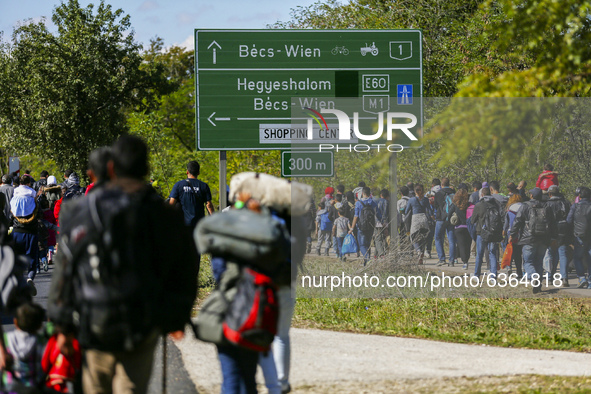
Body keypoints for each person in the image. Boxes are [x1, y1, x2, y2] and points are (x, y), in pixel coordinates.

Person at [48, 135, 198, 393]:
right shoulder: (162, 214)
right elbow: (184, 269)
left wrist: (61, 324)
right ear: (146, 170)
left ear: (111, 168)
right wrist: (176, 316)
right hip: (141, 324)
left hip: (94, 323)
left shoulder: (81, 210)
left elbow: (65, 268)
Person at [509, 187, 557, 293]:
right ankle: (538, 285)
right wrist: (553, 238)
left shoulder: (525, 206)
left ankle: (533, 277)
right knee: (539, 262)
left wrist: (512, 234)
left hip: (529, 239)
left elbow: (517, 221)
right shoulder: (547, 206)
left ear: (531, 196)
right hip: (544, 239)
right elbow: (553, 223)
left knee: (528, 262)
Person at [2, 302, 46, 392]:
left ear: (15, 322)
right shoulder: (41, 341)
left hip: (10, 386)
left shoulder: (6, 339)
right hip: (33, 387)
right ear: (40, 326)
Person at [10, 174, 39, 294]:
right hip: (31, 232)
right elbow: (39, 214)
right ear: (29, 184)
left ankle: (18, 282)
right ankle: (30, 278)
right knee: (32, 259)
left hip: (17, 232)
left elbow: (10, 215)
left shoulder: (14, 198)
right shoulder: (33, 198)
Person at [471, 187, 503, 282]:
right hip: (493, 233)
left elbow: (473, 220)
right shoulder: (496, 204)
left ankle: (477, 275)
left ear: (482, 195)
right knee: (492, 254)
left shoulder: (479, 205)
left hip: (481, 232)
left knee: (479, 254)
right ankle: (493, 276)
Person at [169, 161, 214, 229]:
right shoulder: (204, 186)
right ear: (198, 173)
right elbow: (209, 205)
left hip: (184, 224)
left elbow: (171, 203)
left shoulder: (178, 185)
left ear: (187, 172)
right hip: (199, 224)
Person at [545, 185, 571, 285]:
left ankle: (550, 277)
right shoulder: (566, 202)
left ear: (550, 194)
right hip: (564, 230)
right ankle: (564, 278)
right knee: (563, 253)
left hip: (552, 231)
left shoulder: (547, 204)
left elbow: (546, 219)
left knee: (551, 254)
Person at [566, 186, 591, 288]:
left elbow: (568, 220)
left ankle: (581, 278)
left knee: (577, 258)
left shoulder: (575, 206)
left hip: (579, 235)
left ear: (579, 195)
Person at [350, 186, 381, 265]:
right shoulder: (373, 202)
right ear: (369, 193)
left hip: (361, 227)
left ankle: (367, 259)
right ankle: (366, 262)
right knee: (368, 244)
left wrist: (352, 228)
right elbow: (378, 214)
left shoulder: (358, 203)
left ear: (363, 193)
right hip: (371, 226)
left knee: (362, 245)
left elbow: (356, 216)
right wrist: (382, 222)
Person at [404, 184, 433, 265]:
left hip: (415, 220)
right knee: (423, 238)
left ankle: (418, 251)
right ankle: (421, 258)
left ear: (414, 191)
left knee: (413, 237)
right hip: (424, 219)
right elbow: (429, 211)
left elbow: (406, 212)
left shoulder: (411, 200)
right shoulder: (426, 200)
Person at [434, 178, 457, 266]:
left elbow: (436, 206)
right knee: (451, 240)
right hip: (451, 218)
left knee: (438, 238)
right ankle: (451, 261)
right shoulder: (453, 193)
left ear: (441, 185)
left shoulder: (438, 193)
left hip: (441, 218)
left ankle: (442, 259)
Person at [448, 189, 472, 270]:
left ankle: (465, 262)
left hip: (458, 227)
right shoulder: (469, 204)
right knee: (468, 244)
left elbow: (449, 214)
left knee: (461, 245)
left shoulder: (455, 205)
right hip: (468, 227)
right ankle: (466, 259)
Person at [503, 194, 524, 278]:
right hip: (523, 233)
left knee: (511, 252)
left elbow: (506, 223)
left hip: (511, 233)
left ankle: (509, 267)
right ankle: (520, 272)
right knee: (520, 254)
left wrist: (504, 232)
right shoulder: (524, 207)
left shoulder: (510, 209)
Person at [373, 189, 390, 258]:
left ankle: (381, 254)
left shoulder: (376, 201)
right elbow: (388, 214)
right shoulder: (387, 202)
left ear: (380, 195)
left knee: (378, 238)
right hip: (384, 222)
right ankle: (376, 255)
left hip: (377, 222)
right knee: (382, 238)